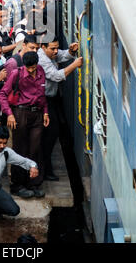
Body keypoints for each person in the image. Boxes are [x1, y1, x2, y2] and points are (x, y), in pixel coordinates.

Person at [0, 51, 49, 198]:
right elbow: (2, 94)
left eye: (33, 68)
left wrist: (45, 112)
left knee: (35, 148)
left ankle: (32, 183)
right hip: (20, 113)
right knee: (20, 150)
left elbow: (42, 94)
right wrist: (9, 114)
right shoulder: (16, 74)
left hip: (37, 114)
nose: (32, 71)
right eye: (29, 69)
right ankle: (17, 184)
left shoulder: (40, 71)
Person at [38, 37, 82, 180]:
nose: (56, 51)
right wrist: (74, 65)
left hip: (51, 98)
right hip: (44, 101)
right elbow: (56, 76)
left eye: (57, 47)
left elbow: (61, 55)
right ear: (43, 47)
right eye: (52, 48)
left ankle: (46, 168)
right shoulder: (42, 59)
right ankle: (44, 170)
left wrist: (70, 51)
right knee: (49, 135)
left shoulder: (50, 54)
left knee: (51, 134)